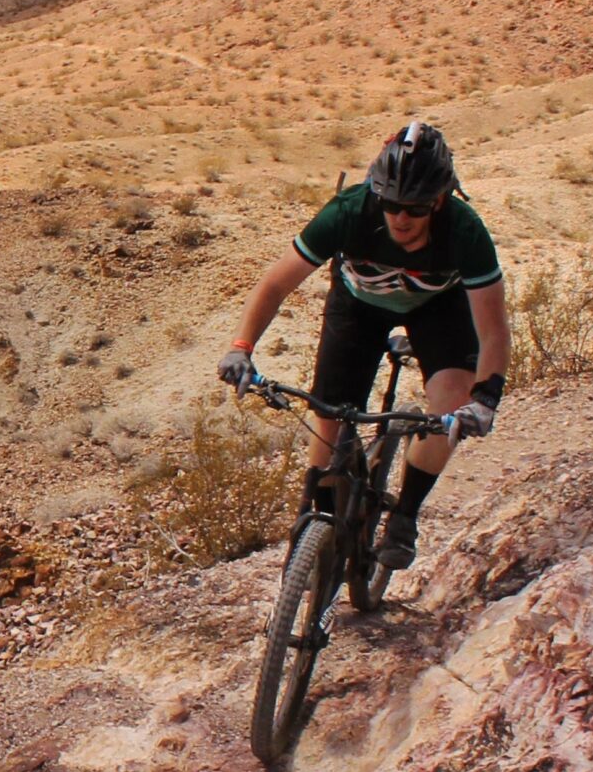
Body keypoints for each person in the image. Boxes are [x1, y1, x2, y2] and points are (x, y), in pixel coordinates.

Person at [215, 122, 509, 569]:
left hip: (438, 310)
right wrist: (241, 346)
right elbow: (274, 285)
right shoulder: (349, 212)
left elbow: (492, 328)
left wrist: (485, 398)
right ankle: (317, 524)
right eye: (389, 203)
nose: (399, 217)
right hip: (358, 306)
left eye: (412, 207)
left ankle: (405, 514)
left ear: (439, 200)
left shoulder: (464, 232)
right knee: (329, 415)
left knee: (451, 402)